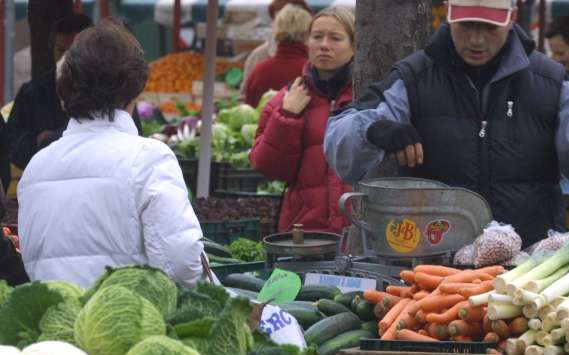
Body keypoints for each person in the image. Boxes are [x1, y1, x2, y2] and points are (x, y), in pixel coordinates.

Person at [324, 0, 569, 247]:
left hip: (528, 266)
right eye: (467, 26)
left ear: (510, 20)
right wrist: (372, 129)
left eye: (489, 27)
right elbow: (340, 142)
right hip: (431, 263)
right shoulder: (414, 76)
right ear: (449, 19)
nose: (476, 39)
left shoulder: (550, 82)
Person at [18, 18, 205, 288]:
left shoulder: (36, 168)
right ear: (133, 86)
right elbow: (181, 264)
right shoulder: (148, 159)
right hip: (133, 326)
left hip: (56, 326)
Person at [250, 7, 355, 234]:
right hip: (304, 234)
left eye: (335, 38)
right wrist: (287, 117)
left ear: (354, 47)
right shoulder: (287, 99)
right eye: (317, 37)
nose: (324, 45)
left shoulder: (368, 97)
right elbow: (266, 166)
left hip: (361, 232)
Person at [5, 13, 143, 171]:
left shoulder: (114, 89)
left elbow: (134, 136)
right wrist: (38, 142)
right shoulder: (32, 91)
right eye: (60, 50)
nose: (66, 58)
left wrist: (53, 138)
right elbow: (13, 145)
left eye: (72, 51)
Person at [241, 0, 314, 97]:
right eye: (284, 14)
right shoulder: (258, 56)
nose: (289, 18)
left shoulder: (314, 59)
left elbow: (246, 101)